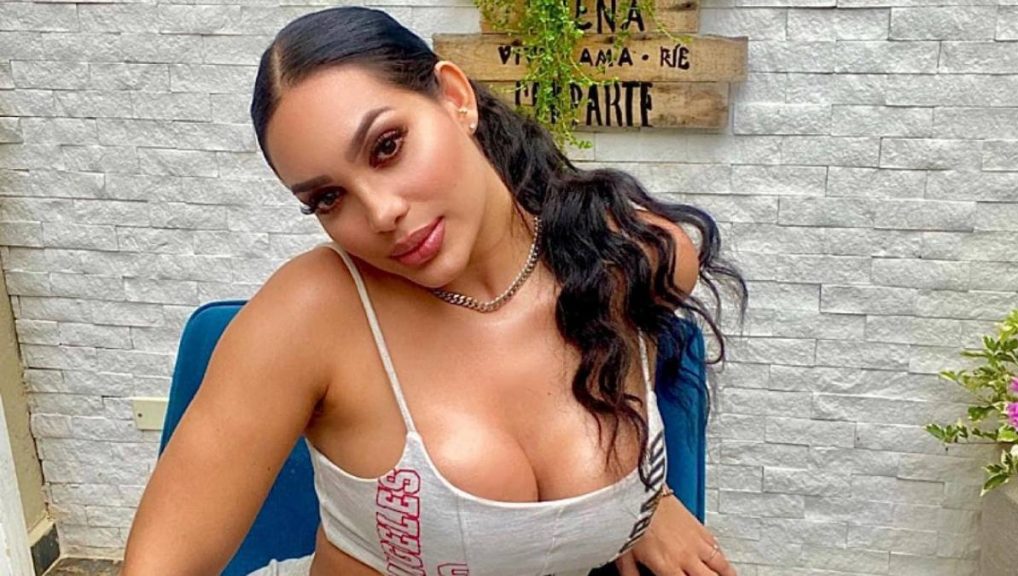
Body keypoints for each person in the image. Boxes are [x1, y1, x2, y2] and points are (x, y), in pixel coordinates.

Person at [122, 5, 747, 576]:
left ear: (455, 99)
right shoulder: (314, 313)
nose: (381, 212)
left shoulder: (631, 258)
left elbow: (627, 379)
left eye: (387, 147)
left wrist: (644, 500)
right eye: (329, 197)